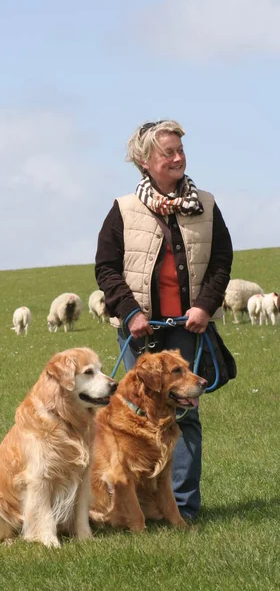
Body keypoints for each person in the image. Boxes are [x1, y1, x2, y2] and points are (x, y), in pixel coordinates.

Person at [95, 119, 233, 519]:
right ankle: (137, 508)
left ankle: (183, 511)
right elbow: (106, 268)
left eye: (180, 150)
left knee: (184, 415)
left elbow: (221, 261)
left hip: (189, 330)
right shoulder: (123, 209)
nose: (178, 158)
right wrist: (130, 312)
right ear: (145, 160)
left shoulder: (205, 203)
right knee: (131, 418)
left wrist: (205, 306)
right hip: (140, 332)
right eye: (168, 152)